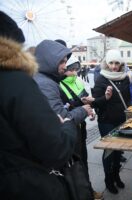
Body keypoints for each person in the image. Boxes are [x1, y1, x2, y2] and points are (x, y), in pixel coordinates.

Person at [0, 11, 77, 199]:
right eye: (62, 61)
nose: (65, 66)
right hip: (27, 186)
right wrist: (68, 124)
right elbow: (56, 149)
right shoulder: (16, 81)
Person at [85, 49, 131, 194]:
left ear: (121, 63)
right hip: (106, 121)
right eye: (111, 62)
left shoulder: (124, 77)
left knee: (118, 151)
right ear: (106, 63)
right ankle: (108, 180)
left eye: (117, 63)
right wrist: (105, 97)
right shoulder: (101, 78)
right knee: (109, 150)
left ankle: (116, 175)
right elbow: (94, 103)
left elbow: (128, 97)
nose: (114, 66)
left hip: (122, 119)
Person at [59, 55, 103, 199]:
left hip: (81, 127)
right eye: (70, 70)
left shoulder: (78, 82)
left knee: (83, 159)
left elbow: (86, 100)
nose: (74, 72)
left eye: (75, 69)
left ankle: (88, 189)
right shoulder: (57, 86)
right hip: (70, 129)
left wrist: (90, 111)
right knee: (74, 164)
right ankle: (80, 192)